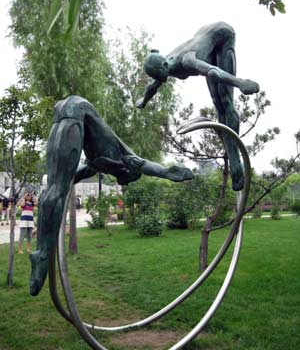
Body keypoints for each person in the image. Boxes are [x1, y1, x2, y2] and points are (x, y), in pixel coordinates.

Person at [30, 95, 194, 296]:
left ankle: (41, 253)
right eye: (125, 180)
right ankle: (42, 255)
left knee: (54, 190)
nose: (121, 182)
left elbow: (74, 176)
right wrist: (168, 173)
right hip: (76, 112)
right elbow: (147, 166)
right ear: (128, 172)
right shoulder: (126, 158)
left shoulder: (97, 165)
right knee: (55, 192)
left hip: (63, 114)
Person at [135, 21, 260, 191]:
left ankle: (235, 162)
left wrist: (240, 83)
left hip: (223, 35)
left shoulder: (188, 60)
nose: (161, 79)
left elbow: (213, 72)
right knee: (216, 102)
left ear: (163, 65)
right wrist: (144, 100)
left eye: (160, 74)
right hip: (204, 38)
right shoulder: (165, 63)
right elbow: (153, 86)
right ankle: (231, 152)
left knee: (225, 99)